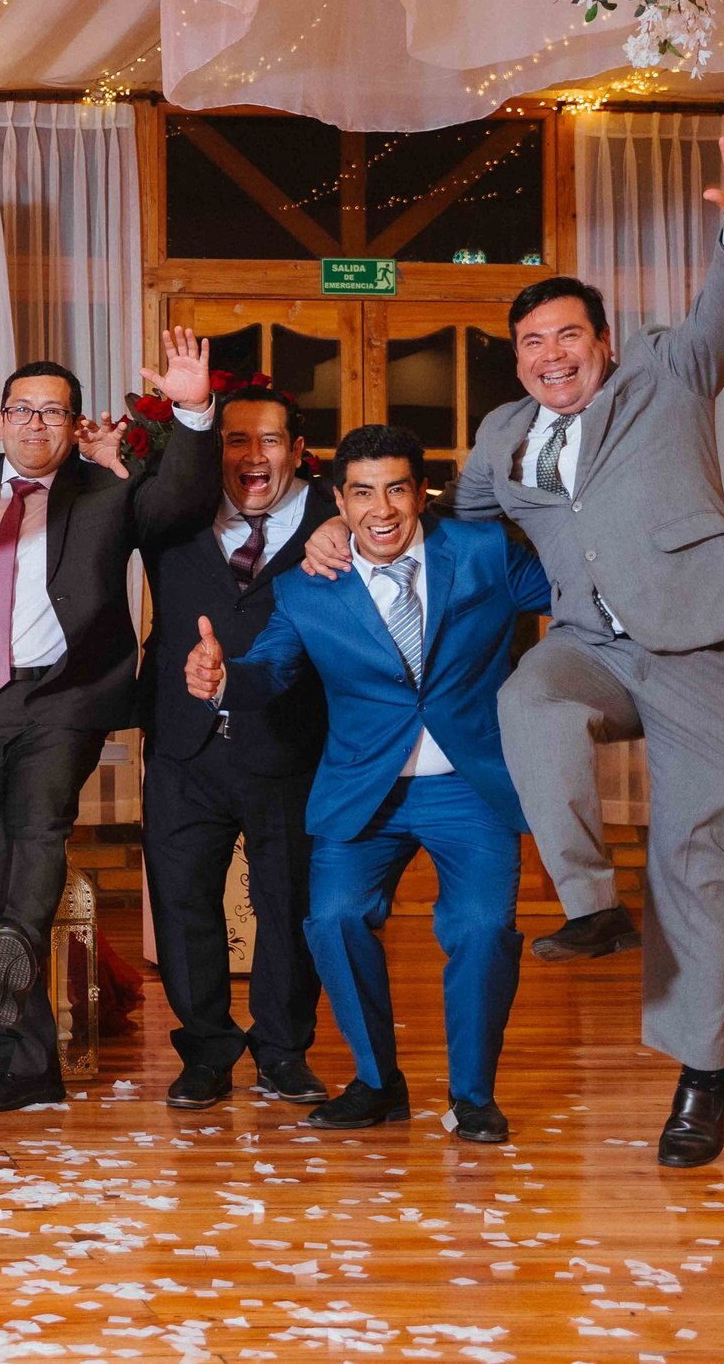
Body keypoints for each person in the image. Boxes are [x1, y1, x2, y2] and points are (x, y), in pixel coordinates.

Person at [300, 118, 724, 1168]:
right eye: (530, 342)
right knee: (529, 699)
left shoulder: (667, 372)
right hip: (592, 647)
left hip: (704, 646)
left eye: (567, 335)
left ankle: (698, 1076)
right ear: (515, 358)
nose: (549, 354)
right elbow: (440, 530)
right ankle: (590, 905)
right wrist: (341, 529)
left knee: (694, 866)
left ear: (602, 341)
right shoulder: (500, 438)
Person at [190, 425, 553, 1145]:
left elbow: (574, 589)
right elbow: (272, 668)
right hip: (364, 789)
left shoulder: (481, 552)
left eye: (396, 490)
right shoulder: (305, 589)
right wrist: (223, 679)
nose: (380, 510)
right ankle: (378, 1084)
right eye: (362, 493)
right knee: (333, 919)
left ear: (421, 494)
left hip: (469, 786)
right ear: (339, 500)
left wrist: (681, 561)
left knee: (482, 929)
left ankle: (473, 1097)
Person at [0, 336, 219, 1115]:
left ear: (75, 425)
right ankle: (28, 1063)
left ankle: (16, 928)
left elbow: (180, 504)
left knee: (39, 825)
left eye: (52, 412)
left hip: (63, 697)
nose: (35, 423)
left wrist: (195, 411)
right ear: (0, 418)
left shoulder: (106, 489)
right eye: (22, 409)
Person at [136, 384, 339, 1112]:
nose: (253, 455)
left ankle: (283, 1052)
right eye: (236, 440)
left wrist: (342, 516)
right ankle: (206, 1051)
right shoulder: (174, 514)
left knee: (290, 905)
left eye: (270, 440)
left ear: (298, 450)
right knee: (183, 900)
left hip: (291, 741)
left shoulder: (337, 515)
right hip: (183, 745)